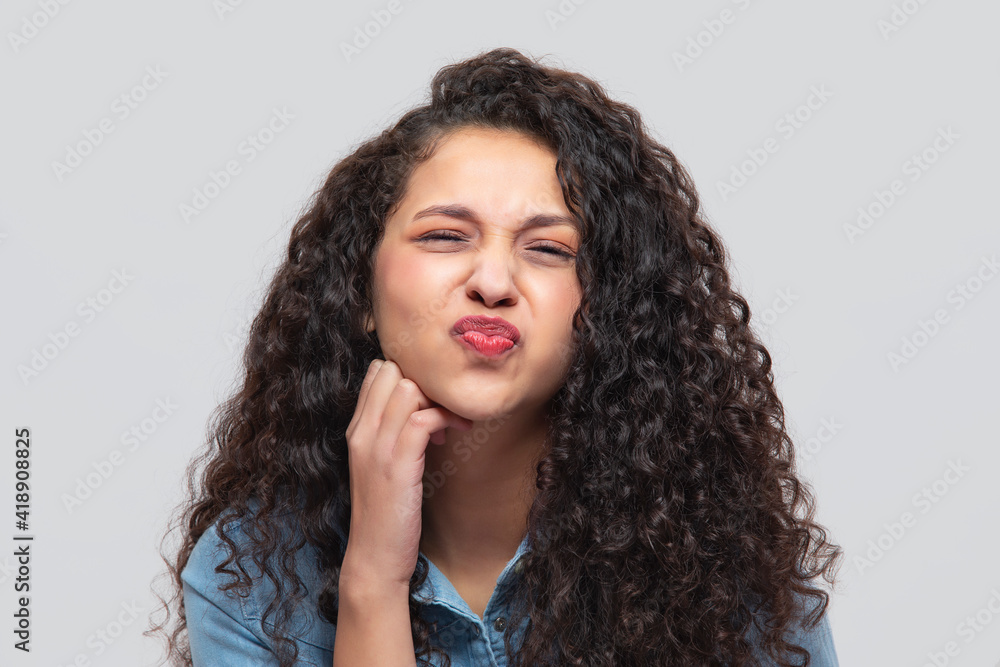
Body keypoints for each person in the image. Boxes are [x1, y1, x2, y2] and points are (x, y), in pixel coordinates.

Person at [151, 47, 843, 666]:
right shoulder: (249, 575)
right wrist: (372, 581)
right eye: (446, 236)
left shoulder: (724, 562)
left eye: (547, 249)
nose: (492, 281)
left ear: (607, 308)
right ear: (360, 286)